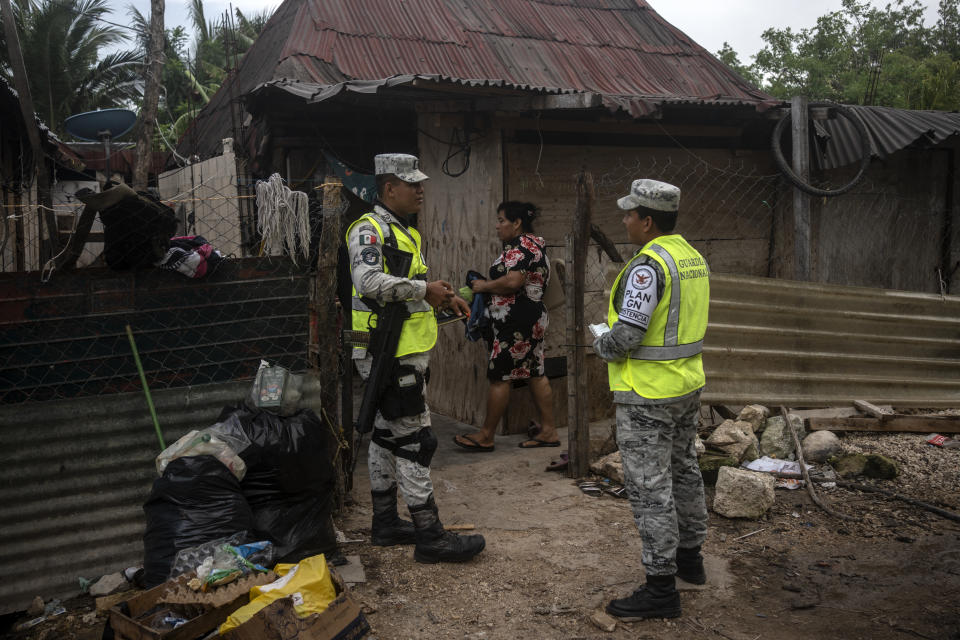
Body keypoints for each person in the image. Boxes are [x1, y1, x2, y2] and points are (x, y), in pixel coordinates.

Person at [345, 153, 485, 564]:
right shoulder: (369, 230)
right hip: (387, 353)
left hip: (403, 350)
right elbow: (368, 281)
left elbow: (407, 288)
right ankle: (431, 536)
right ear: (389, 188)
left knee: (388, 438)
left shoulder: (404, 231)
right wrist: (423, 291)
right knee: (416, 440)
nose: (421, 190)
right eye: (413, 184)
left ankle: (385, 523)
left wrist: (442, 295)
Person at [592, 179, 710, 620]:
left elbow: (627, 335)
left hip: (648, 393)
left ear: (647, 220)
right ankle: (690, 561)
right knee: (684, 469)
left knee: (649, 487)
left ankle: (660, 588)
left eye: (629, 214)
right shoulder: (691, 257)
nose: (623, 220)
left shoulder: (647, 266)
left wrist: (601, 345)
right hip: (685, 385)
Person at [453, 201, 560, 452]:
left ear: (517, 223)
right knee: (535, 372)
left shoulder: (520, 247)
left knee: (499, 376)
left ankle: (486, 435)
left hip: (516, 320)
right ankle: (548, 430)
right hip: (532, 316)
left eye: (501, 220)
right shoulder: (534, 245)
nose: (497, 226)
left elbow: (512, 282)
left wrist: (482, 286)